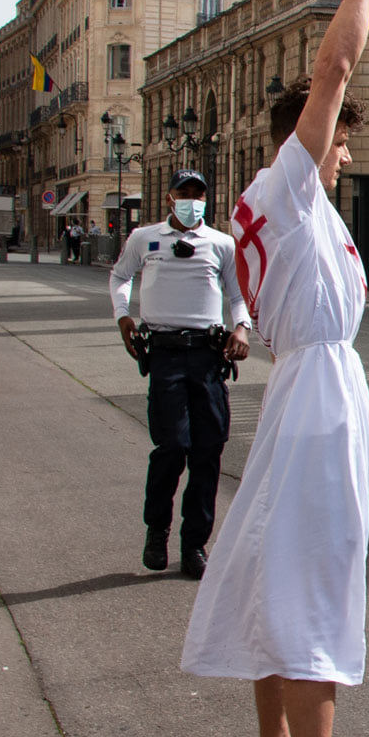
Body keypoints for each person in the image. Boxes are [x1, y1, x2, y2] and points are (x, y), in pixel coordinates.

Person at [178, 0, 369, 737]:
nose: (347, 151)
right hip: (316, 396)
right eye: (339, 141)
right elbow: (335, 70)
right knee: (315, 586)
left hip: (305, 394)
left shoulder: (272, 206)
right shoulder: (288, 181)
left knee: (277, 568)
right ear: (304, 141)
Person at [108, 169, 250, 578]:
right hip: (166, 354)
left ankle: (195, 545)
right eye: (184, 193)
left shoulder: (221, 244)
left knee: (207, 451)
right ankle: (157, 529)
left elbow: (239, 294)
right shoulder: (145, 239)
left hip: (207, 356)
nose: (192, 200)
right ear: (170, 198)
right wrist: (123, 317)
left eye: (198, 193)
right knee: (171, 446)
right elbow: (119, 276)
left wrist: (242, 327)